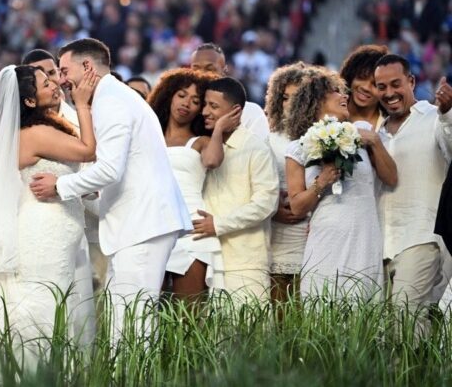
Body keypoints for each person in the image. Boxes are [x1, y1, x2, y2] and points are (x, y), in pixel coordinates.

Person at [30, 38, 191, 345]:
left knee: (133, 325)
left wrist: (60, 186)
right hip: (138, 223)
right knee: (125, 319)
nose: (61, 80)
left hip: (142, 224)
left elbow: (109, 169)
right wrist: (90, 190)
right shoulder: (112, 97)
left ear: (87, 66)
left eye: (64, 70)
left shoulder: (111, 101)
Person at [0, 63, 98, 371]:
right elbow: (87, 151)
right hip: (44, 231)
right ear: (29, 101)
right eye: (46, 83)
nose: (55, 85)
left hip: (52, 229)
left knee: (52, 306)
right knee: (40, 309)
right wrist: (82, 105)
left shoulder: (35, 130)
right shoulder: (34, 133)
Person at [284, 69, 397, 300]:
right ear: (315, 101)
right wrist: (321, 182)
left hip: (364, 234)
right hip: (327, 235)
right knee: (323, 305)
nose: (344, 96)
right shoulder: (298, 147)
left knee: (363, 308)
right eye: (335, 92)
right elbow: (296, 207)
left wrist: (374, 141)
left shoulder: (363, 133)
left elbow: (391, 177)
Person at [373, 54, 452, 331]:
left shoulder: (434, 117)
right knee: (383, 329)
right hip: (380, 242)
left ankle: (414, 375)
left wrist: (449, 113)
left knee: (406, 319)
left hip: (421, 237)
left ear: (411, 81)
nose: (389, 93)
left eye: (396, 84)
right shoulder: (375, 132)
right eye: (381, 87)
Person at [147, 68, 233, 302]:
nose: (186, 103)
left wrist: (217, 130)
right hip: (152, 227)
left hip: (191, 229)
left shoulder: (201, 142)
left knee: (190, 314)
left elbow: (213, 160)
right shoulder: (148, 137)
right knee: (151, 312)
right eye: (181, 95)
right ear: (168, 95)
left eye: (195, 100)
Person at [194, 77, 279, 302]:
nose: (205, 112)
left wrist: (218, 224)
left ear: (235, 111)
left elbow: (266, 203)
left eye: (213, 106)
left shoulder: (255, 148)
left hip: (245, 262)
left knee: (250, 334)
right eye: (204, 104)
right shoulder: (203, 146)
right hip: (207, 256)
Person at [263, 63, 311, 302]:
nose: (290, 103)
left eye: (297, 97)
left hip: (313, 230)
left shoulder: (323, 135)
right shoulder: (268, 139)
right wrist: (274, 211)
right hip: (277, 230)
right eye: (284, 97)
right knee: (279, 308)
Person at [190, 43, 270, 140]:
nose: (202, 74)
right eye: (196, 69)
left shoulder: (250, 112)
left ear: (224, 70)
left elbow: (260, 151)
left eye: (209, 69)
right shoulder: (185, 109)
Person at [339, 45, 388, 130]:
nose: (366, 87)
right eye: (361, 78)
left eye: (375, 84)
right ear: (351, 77)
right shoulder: (329, 114)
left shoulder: (390, 127)